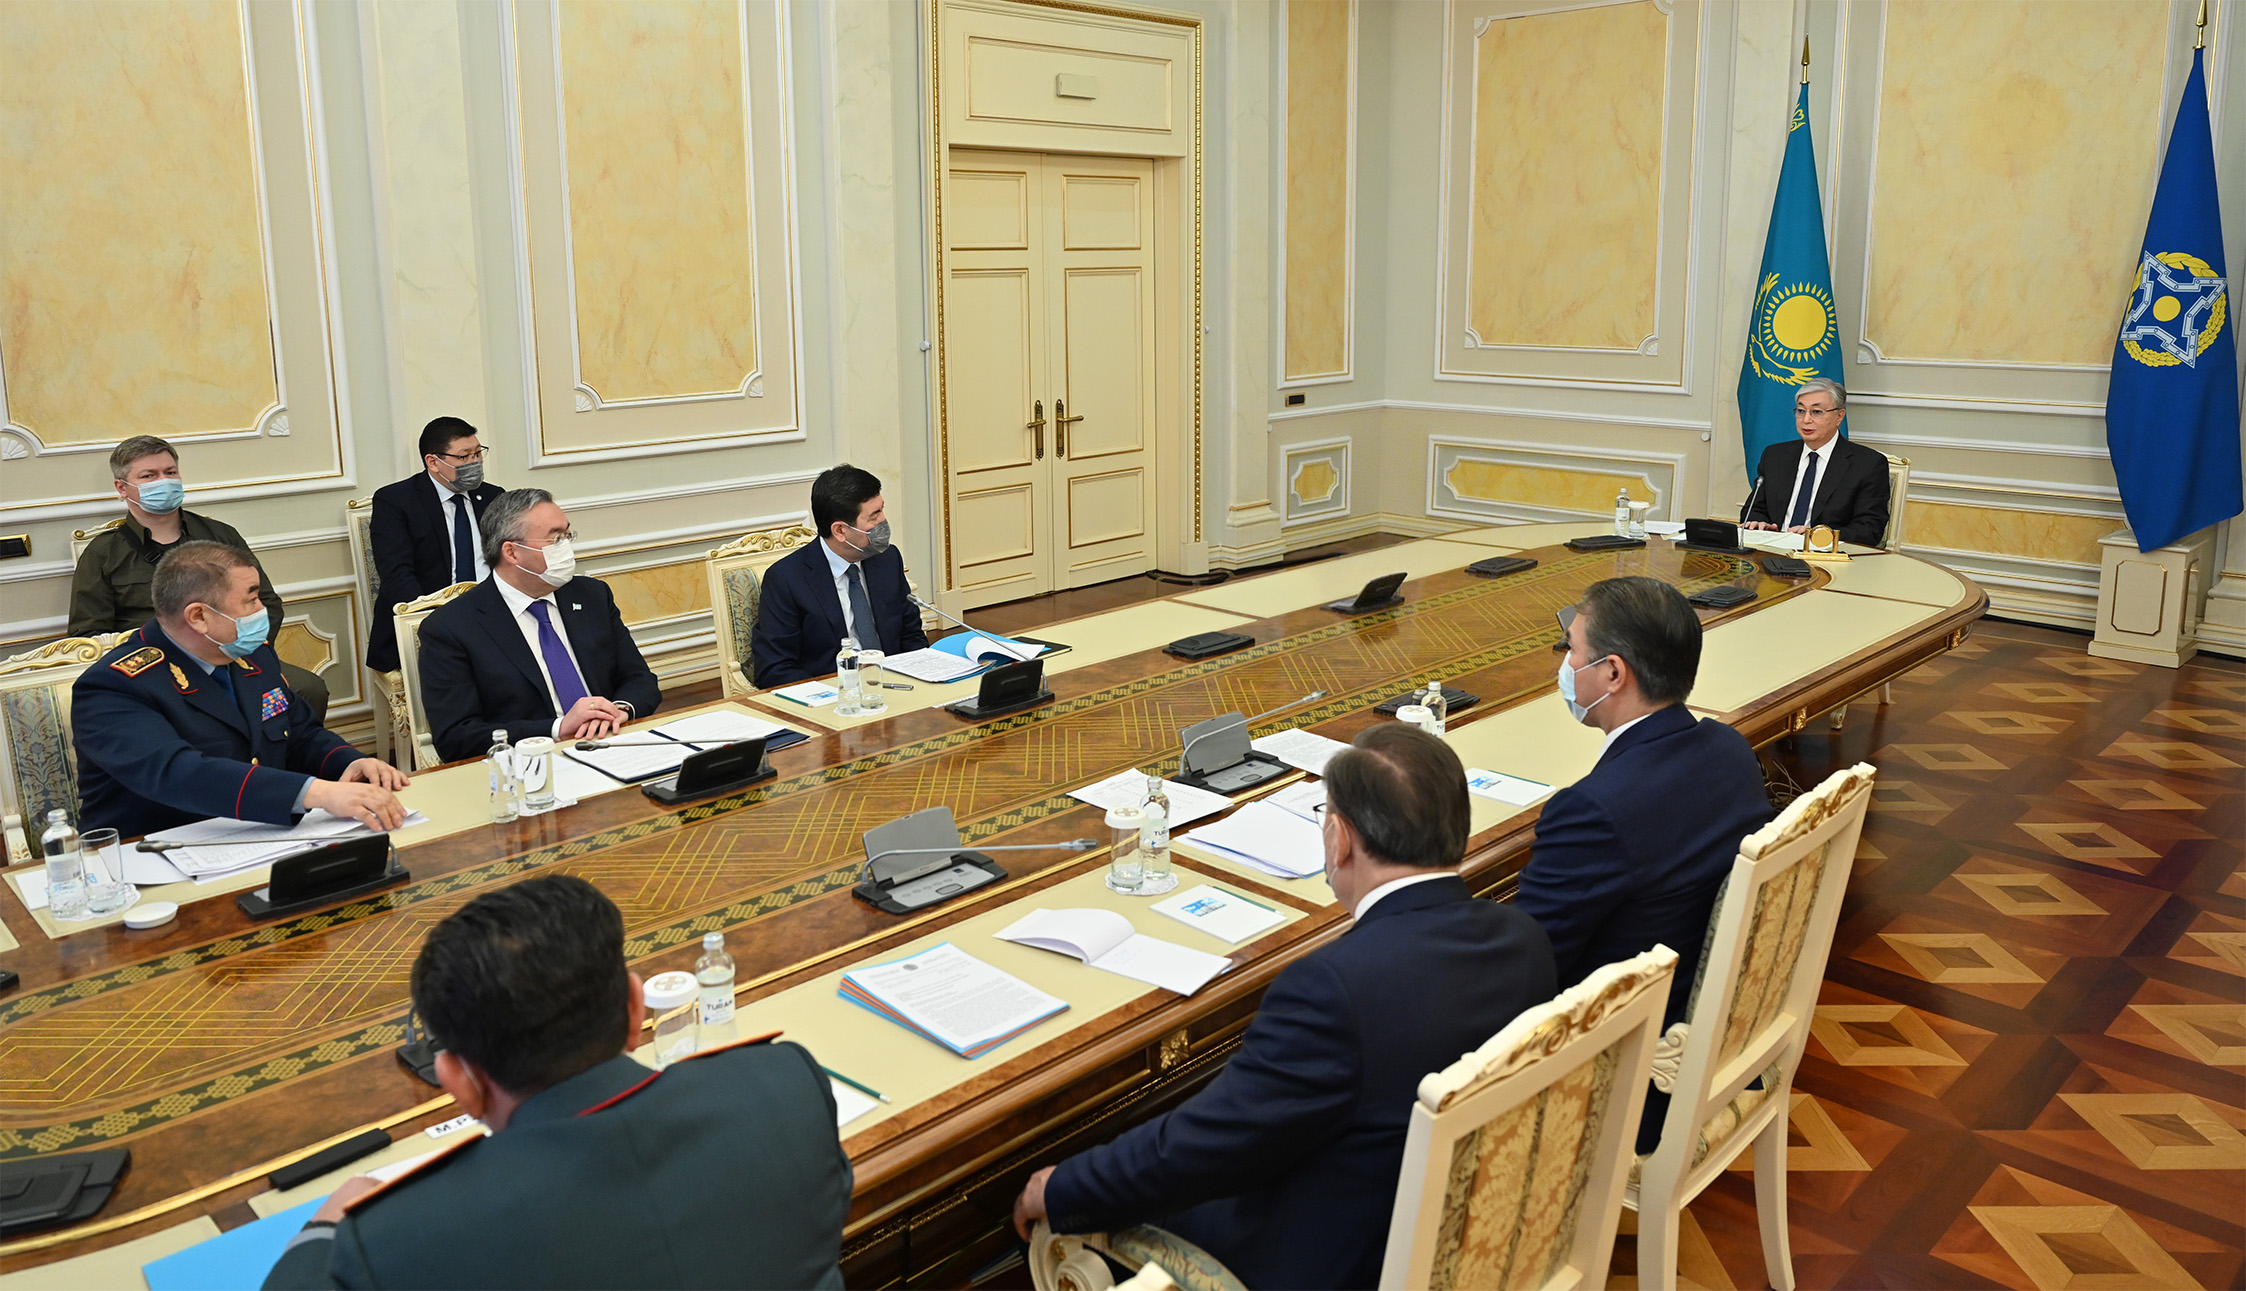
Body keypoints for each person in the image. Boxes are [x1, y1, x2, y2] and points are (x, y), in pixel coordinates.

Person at [1012, 725, 1556, 1289]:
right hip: (1476, 1231)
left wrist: (1064, 1186)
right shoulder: (1523, 940)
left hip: (1338, 1261)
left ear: (1340, 839)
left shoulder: (1333, 989)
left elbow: (1208, 1146)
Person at [261, 874, 852, 1289]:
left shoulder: (399, 1240)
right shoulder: (787, 1086)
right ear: (636, 1010)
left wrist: (322, 1232)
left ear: (459, 1084)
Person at [1513, 576, 1773, 1148]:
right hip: (1708, 1029)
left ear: (1613, 673)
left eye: (1572, 651)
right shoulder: (1728, 749)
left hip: (1626, 1078)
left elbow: (1527, 966)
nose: (1565, 666)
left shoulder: (1593, 810)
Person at [73, 541, 408, 839]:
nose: (263, 610)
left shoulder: (250, 654)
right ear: (199, 616)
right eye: (251, 600)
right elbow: (177, 773)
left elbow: (300, 734)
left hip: (256, 834)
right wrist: (317, 793)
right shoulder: (112, 686)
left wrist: (350, 763)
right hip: (152, 850)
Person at [71, 435, 331, 724]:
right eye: (149, 476)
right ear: (122, 487)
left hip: (234, 658)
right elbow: (88, 636)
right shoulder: (102, 554)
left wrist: (256, 659)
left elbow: (267, 602)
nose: (164, 481)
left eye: (170, 472)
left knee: (308, 690)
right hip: (155, 672)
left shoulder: (221, 535)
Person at [416, 489, 661, 762]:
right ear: (512, 552)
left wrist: (618, 710)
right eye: (555, 539)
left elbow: (640, 679)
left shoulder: (591, 596)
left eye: (567, 535)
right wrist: (557, 728)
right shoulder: (450, 628)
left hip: (613, 743)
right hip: (530, 763)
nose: (566, 547)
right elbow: (456, 736)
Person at [749, 465, 929, 689]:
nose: (883, 521)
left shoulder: (887, 559)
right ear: (840, 531)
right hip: (833, 694)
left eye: (882, 510)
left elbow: (911, 635)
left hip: (896, 686)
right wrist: (836, 693)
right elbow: (774, 668)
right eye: (873, 516)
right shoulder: (786, 579)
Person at [365, 417, 506, 673]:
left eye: (478, 453)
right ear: (433, 462)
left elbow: (508, 559)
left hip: (492, 614)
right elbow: (397, 575)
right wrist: (440, 622)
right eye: (464, 456)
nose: (475, 462)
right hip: (431, 618)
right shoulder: (395, 501)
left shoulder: (493, 496)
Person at [1740, 377, 1891, 546]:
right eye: (1800, 411)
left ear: (1839, 416)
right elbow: (1754, 509)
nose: (1806, 420)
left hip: (1825, 555)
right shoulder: (1775, 455)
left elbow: (1869, 529)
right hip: (1771, 549)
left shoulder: (1867, 464)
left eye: (1816, 412)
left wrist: (1819, 536)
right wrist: (1758, 523)